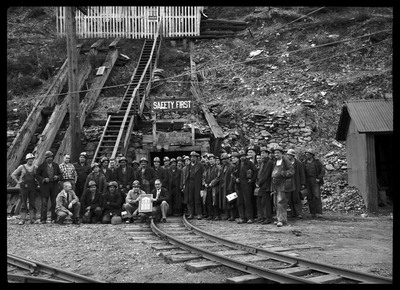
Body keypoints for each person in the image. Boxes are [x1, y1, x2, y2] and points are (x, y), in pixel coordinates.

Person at [11, 153, 39, 225]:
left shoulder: (35, 167)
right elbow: (13, 174)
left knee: (32, 203)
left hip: (33, 186)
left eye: (32, 159)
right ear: (27, 160)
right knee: (23, 203)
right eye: (29, 159)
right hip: (24, 187)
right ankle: (22, 219)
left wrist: (38, 183)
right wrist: (18, 182)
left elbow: (38, 177)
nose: (31, 160)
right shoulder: (22, 167)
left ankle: (33, 219)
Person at [271, 146, 295, 227]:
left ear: (282, 153)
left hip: (283, 184)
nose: (276, 154)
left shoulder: (285, 161)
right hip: (275, 184)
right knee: (275, 202)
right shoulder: (275, 161)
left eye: (278, 153)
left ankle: (282, 220)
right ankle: (279, 218)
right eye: (275, 153)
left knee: (281, 201)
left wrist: (283, 174)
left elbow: (292, 171)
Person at [36, 151, 62, 224]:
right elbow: (37, 175)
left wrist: (57, 177)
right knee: (44, 203)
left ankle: (54, 218)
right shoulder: (41, 166)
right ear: (46, 158)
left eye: (51, 157)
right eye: (49, 157)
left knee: (54, 203)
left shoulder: (56, 165)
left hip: (54, 186)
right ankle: (43, 219)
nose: (50, 158)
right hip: (45, 186)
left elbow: (60, 174)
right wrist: (43, 179)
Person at [303, 148, 325, 218]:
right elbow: (303, 173)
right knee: (309, 197)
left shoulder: (317, 162)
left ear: (312, 155)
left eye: (308, 154)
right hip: (307, 181)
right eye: (306, 154)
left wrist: (319, 178)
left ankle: (319, 212)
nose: (307, 155)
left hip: (315, 180)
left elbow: (322, 170)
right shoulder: (304, 163)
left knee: (316, 196)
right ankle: (312, 212)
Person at [182, 151, 205, 220]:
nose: (192, 158)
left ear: (196, 158)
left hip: (197, 184)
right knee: (190, 199)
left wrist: (202, 185)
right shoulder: (188, 166)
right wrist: (184, 184)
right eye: (191, 157)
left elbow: (203, 175)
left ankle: (199, 214)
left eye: (194, 157)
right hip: (189, 184)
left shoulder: (200, 165)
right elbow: (185, 176)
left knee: (197, 199)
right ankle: (191, 213)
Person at [255, 146, 274, 225]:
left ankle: (268, 217)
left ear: (267, 154)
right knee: (262, 202)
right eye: (261, 153)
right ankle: (263, 217)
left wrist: (259, 183)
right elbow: (260, 173)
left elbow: (266, 174)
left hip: (266, 185)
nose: (262, 154)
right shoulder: (263, 162)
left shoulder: (269, 162)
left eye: (264, 153)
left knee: (266, 202)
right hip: (262, 185)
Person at [237, 149, 258, 224]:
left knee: (248, 201)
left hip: (247, 185)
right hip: (240, 185)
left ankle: (250, 218)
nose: (242, 158)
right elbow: (234, 173)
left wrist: (251, 180)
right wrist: (236, 179)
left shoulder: (249, 163)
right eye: (240, 156)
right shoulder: (238, 164)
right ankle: (242, 217)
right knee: (240, 201)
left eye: (243, 156)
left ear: (245, 156)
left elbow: (255, 172)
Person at [286, 149, 306, 219]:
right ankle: (293, 213)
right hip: (288, 183)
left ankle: (298, 213)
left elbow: (302, 173)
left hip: (296, 183)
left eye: (289, 155)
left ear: (292, 156)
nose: (287, 156)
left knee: (297, 198)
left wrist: (303, 183)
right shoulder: (286, 163)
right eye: (287, 155)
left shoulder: (298, 163)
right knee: (290, 198)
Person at [203, 154, 221, 220]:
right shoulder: (207, 168)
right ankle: (210, 215)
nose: (210, 161)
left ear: (214, 160)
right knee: (208, 201)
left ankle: (217, 215)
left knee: (215, 201)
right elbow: (203, 176)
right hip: (207, 187)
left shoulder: (218, 167)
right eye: (209, 159)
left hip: (215, 187)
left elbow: (218, 177)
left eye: (212, 159)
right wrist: (204, 183)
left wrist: (212, 183)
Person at [218, 153, 235, 221]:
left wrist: (230, 186)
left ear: (228, 159)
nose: (224, 161)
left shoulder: (232, 167)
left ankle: (232, 215)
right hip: (224, 186)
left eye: (225, 159)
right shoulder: (223, 167)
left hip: (230, 186)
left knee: (231, 201)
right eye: (222, 159)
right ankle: (227, 215)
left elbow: (232, 177)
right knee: (225, 201)